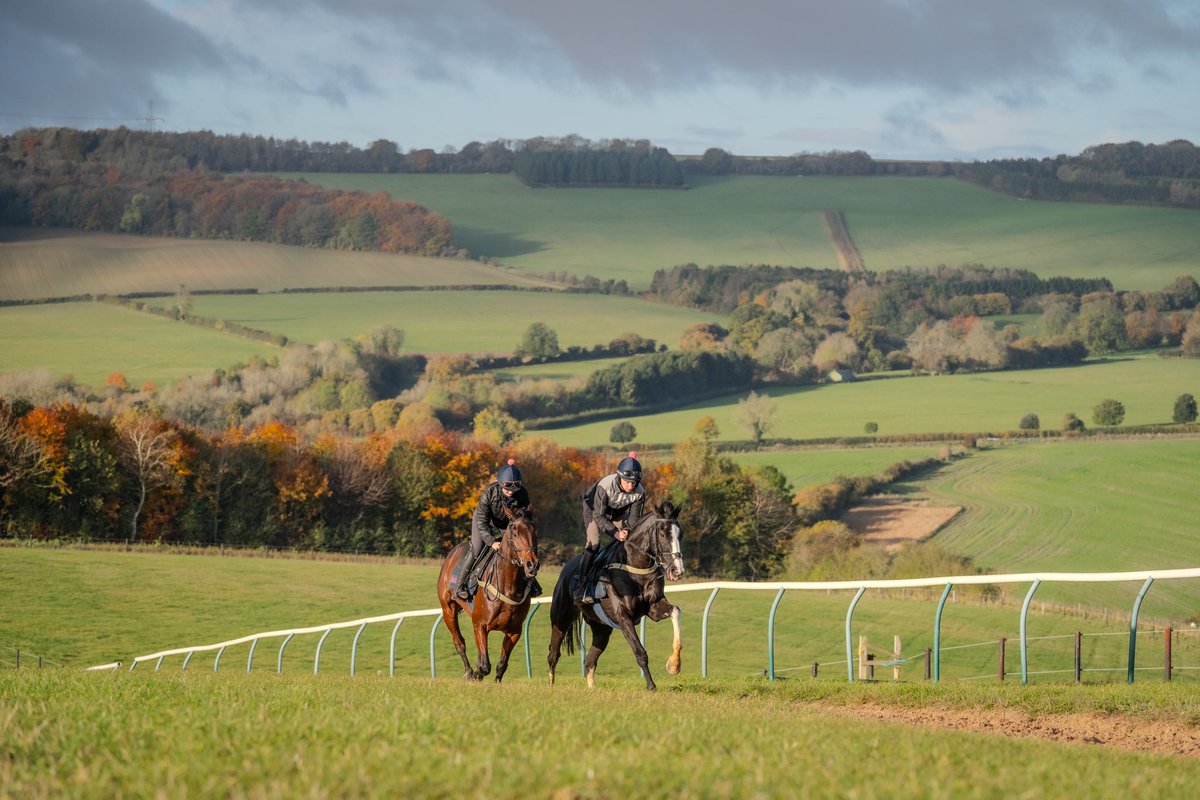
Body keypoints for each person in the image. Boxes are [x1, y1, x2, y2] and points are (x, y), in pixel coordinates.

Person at [575, 452, 647, 604]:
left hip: (617, 511)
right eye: (627, 482)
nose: (631, 486)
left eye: (634, 483)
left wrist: (626, 530)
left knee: (629, 540)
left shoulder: (640, 492)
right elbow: (599, 517)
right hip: (594, 510)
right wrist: (615, 533)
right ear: (619, 477)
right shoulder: (605, 486)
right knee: (594, 543)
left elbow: (634, 518)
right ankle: (581, 586)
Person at [456, 459, 532, 601]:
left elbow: (525, 517)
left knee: (520, 549)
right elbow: (481, 521)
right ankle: (459, 586)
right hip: (484, 521)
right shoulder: (490, 492)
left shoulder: (522, 494)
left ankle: (530, 583)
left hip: (507, 524)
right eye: (507, 488)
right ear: (500, 484)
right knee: (476, 550)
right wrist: (491, 541)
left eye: (514, 489)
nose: (510, 492)